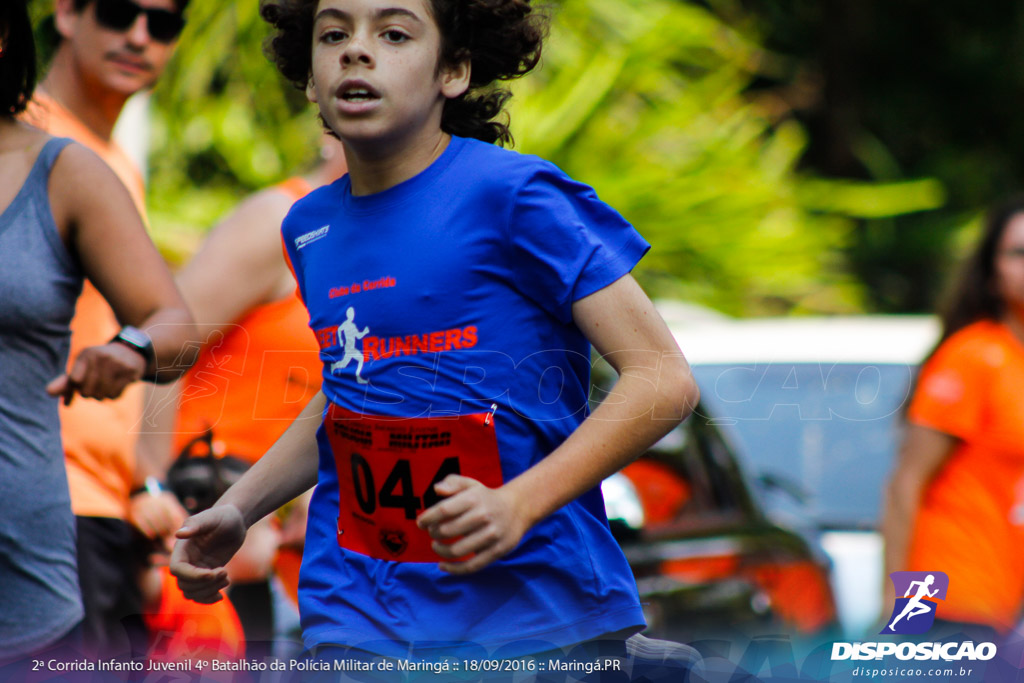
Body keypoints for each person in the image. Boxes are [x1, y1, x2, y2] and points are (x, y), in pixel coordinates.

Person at [172, 0, 702, 676]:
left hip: (534, 617)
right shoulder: (307, 229)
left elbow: (663, 379)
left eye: (393, 34)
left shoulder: (515, 197)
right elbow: (351, 387)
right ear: (309, 77)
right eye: (333, 34)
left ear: (453, 69)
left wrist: (517, 502)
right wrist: (238, 506)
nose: (356, 52)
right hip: (357, 611)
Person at [0, 0, 194, 667]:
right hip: (71, 499)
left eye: (162, 23)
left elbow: (166, 330)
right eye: (119, 12)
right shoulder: (51, 141)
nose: (139, 36)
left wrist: (146, 484)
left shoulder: (87, 163)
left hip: (73, 518)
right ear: (64, 12)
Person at [139, 144, 345, 658]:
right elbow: (164, 347)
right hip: (200, 537)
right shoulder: (282, 220)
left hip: (291, 562)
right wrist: (151, 488)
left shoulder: (392, 248)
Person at [883, 196, 1024, 638]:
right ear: (992, 272)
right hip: (949, 601)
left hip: (1002, 604)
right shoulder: (973, 356)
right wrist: (901, 611)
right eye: (1018, 253)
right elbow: (907, 483)